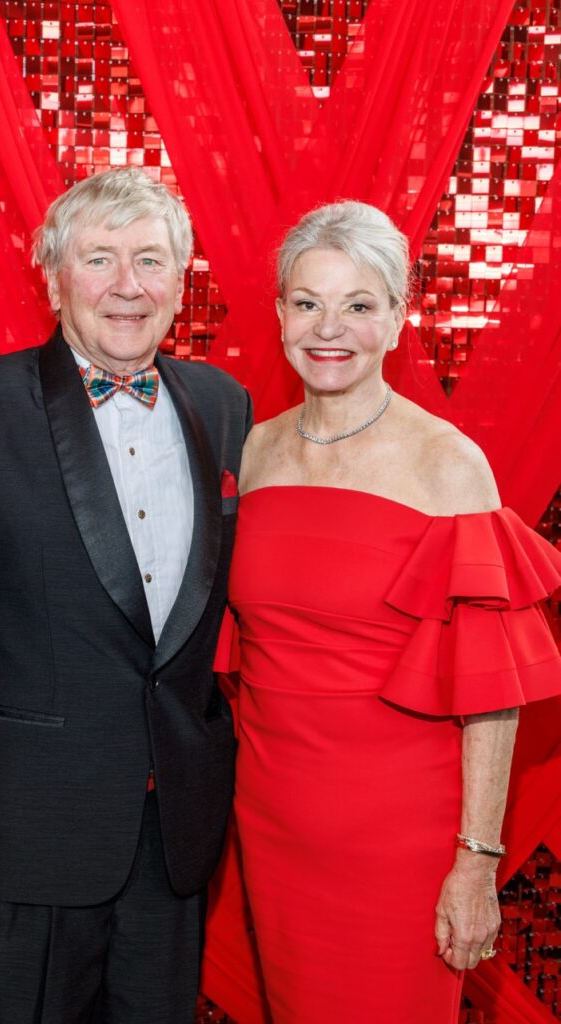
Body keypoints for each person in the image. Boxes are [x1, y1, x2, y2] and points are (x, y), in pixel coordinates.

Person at [0, 167, 252, 1024]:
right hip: (13, 845)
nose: (129, 286)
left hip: (174, 848)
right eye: (101, 259)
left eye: (152, 261)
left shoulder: (223, 405)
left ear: (182, 279)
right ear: (53, 276)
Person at [229, 200, 561, 1023]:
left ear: (397, 316)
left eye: (358, 305)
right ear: (278, 313)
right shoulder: (253, 449)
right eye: (307, 303)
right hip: (270, 820)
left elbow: (493, 690)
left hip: (400, 836)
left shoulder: (446, 465)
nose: (328, 328)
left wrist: (476, 861)